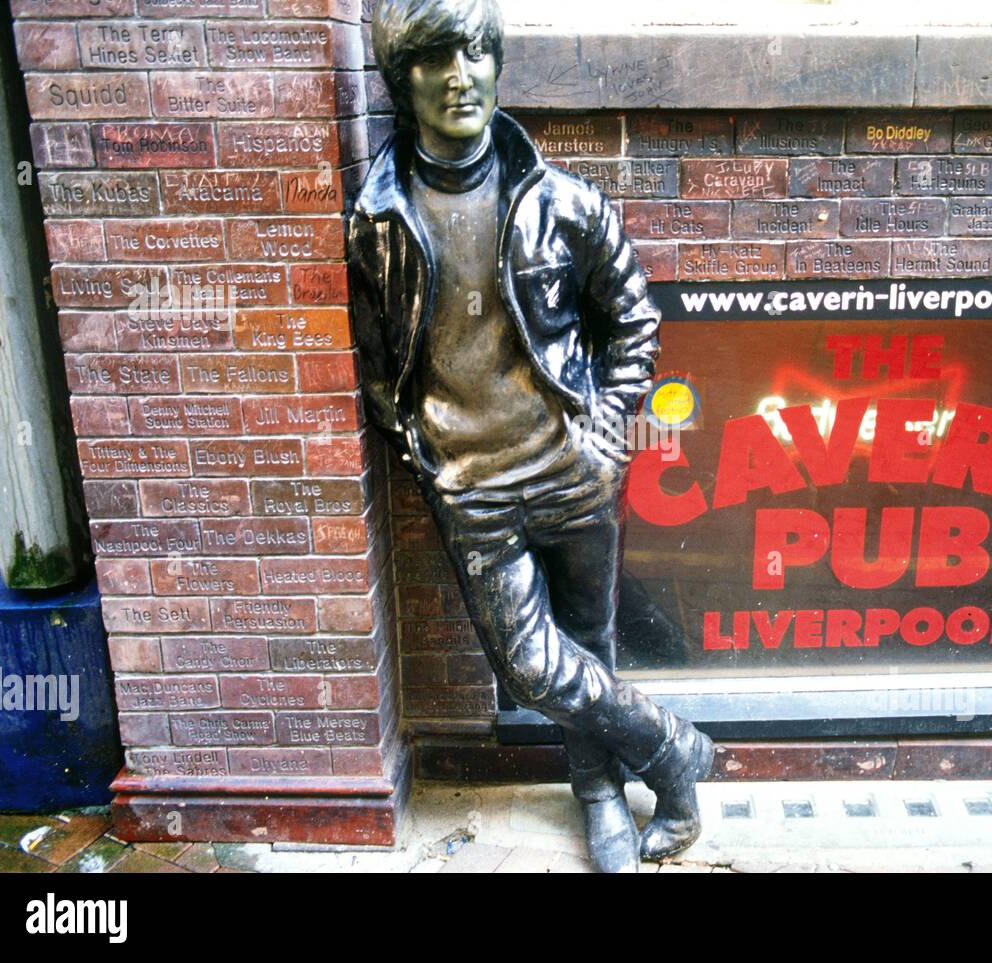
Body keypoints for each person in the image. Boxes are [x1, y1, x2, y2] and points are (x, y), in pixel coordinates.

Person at [347, 0, 714, 873]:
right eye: (435, 58)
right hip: (471, 485)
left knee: (590, 643)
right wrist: (422, 451)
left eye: (475, 52)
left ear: (496, 65)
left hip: (574, 468)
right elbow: (374, 359)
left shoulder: (563, 202)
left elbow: (633, 319)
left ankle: (600, 799)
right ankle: (674, 752)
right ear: (403, 82)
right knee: (528, 668)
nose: (460, 75)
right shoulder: (378, 221)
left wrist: (609, 431)